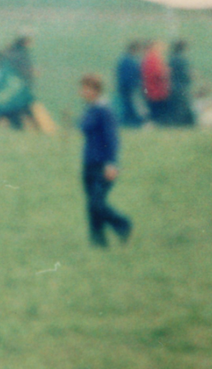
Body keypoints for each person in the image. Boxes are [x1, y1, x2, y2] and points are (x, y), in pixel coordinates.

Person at [78, 74, 132, 248]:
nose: (82, 92)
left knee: (96, 203)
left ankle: (123, 224)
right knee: (92, 205)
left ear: (95, 90)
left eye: (85, 88)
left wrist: (112, 163)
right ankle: (98, 241)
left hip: (103, 165)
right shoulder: (91, 109)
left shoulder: (105, 111)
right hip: (88, 163)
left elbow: (112, 139)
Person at [115, 41, 146, 127]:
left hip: (124, 86)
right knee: (132, 104)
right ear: (134, 49)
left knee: (126, 105)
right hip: (131, 87)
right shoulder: (131, 61)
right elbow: (134, 74)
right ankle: (132, 122)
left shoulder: (123, 59)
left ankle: (127, 122)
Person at [141, 40, 172, 124]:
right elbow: (157, 73)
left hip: (151, 87)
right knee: (158, 108)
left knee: (155, 106)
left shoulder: (148, 57)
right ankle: (157, 123)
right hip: (156, 88)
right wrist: (167, 72)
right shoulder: (153, 58)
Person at [167, 40, 195, 127]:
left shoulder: (172, 58)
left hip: (173, 85)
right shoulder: (182, 59)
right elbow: (185, 74)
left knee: (176, 106)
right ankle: (182, 124)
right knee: (182, 106)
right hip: (182, 86)